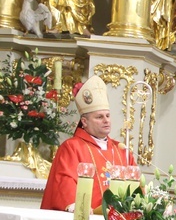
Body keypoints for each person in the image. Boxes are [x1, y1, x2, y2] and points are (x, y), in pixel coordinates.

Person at [41, 75, 135, 211]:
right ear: (84, 122)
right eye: (99, 117)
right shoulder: (72, 147)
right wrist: (79, 206)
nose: (106, 120)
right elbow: (64, 181)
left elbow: (137, 185)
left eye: (108, 116)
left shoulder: (121, 150)